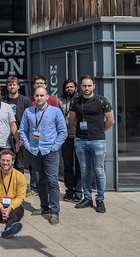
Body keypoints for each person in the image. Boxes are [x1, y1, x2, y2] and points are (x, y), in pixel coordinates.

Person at [19, 87, 67, 225]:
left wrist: (55, 146)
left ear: (47, 97)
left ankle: (55, 211)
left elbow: (62, 131)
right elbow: (23, 130)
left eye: (42, 95)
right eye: (37, 95)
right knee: (39, 181)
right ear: (34, 97)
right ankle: (44, 207)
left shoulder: (55, 111)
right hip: (35, 151)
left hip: (50, 151)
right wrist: (28, 146)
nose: (39, 98)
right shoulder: (28, 111)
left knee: (52, 181)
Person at [69, 75, 115, 213]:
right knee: (85, 171)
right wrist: (82, 132)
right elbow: (72, 120)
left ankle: (100, 199)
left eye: (89, 85)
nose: (86, 88)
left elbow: (110, 120)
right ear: (81, 87)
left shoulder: (102, 100)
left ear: (93, 86)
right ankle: (87, 197)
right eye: (84, 85)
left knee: (99, 171)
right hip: (81, 141)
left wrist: (99, 131)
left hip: (97, 141)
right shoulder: (76, 100)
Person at [2, 76, 32, 176]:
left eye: (14, 84)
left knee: (19, 164)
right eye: (9, 85)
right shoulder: (3, 100)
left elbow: (29, 119)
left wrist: (24, 137)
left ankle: (20, 189)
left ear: (18, 86)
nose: (12, 87)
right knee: (5, 163)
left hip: (20, 135)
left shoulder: (26, 100)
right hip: (5, 136)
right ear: (7, 87)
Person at [58, 79, 82, 202]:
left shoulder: (81, 100)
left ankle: (78, 191)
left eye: (71, 87)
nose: (69, 89)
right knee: (67, 166)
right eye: (67, 87)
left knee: (79, 166)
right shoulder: (60, 101)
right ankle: (69, 191)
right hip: (65, 137)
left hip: (79, 136)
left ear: (76, 88)